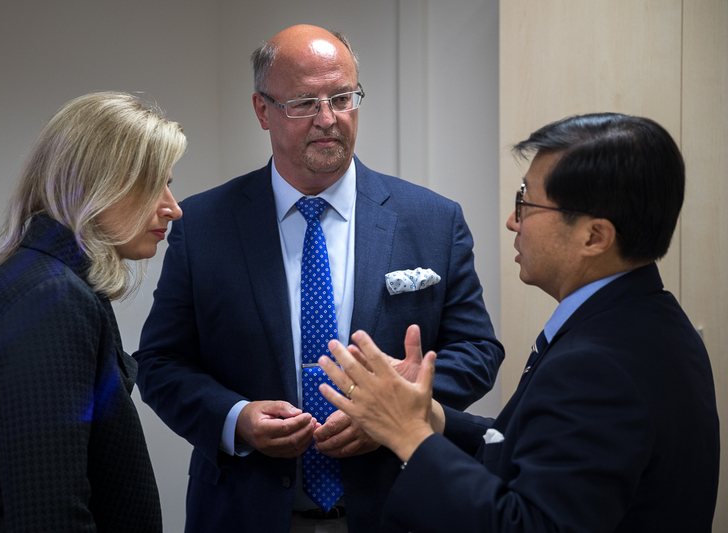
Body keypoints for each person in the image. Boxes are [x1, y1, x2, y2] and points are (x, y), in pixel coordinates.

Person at [134, 24, 503, 533]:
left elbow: (478, 350)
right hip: (246, 511)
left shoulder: (432, 219)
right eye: (304, 103)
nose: (329, 120)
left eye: (343, 98)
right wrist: (235, 418)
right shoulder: (204, 225)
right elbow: (160, 361)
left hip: (397, 509)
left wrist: (397, 407)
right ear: (263, 110)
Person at [318, 113, 720, 532]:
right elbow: (542, 454)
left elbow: (527, 524)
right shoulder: (655, 321)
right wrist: (430, 418)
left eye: (525, 202)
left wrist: (407, 436)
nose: (513, 220)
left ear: (594, 237)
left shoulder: (597, 367)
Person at [0, 92, 187, 533]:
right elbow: (49, 516)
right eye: (153, 185)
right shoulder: (51, 300)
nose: (173, 207)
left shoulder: (45, 280)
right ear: (95, 184)